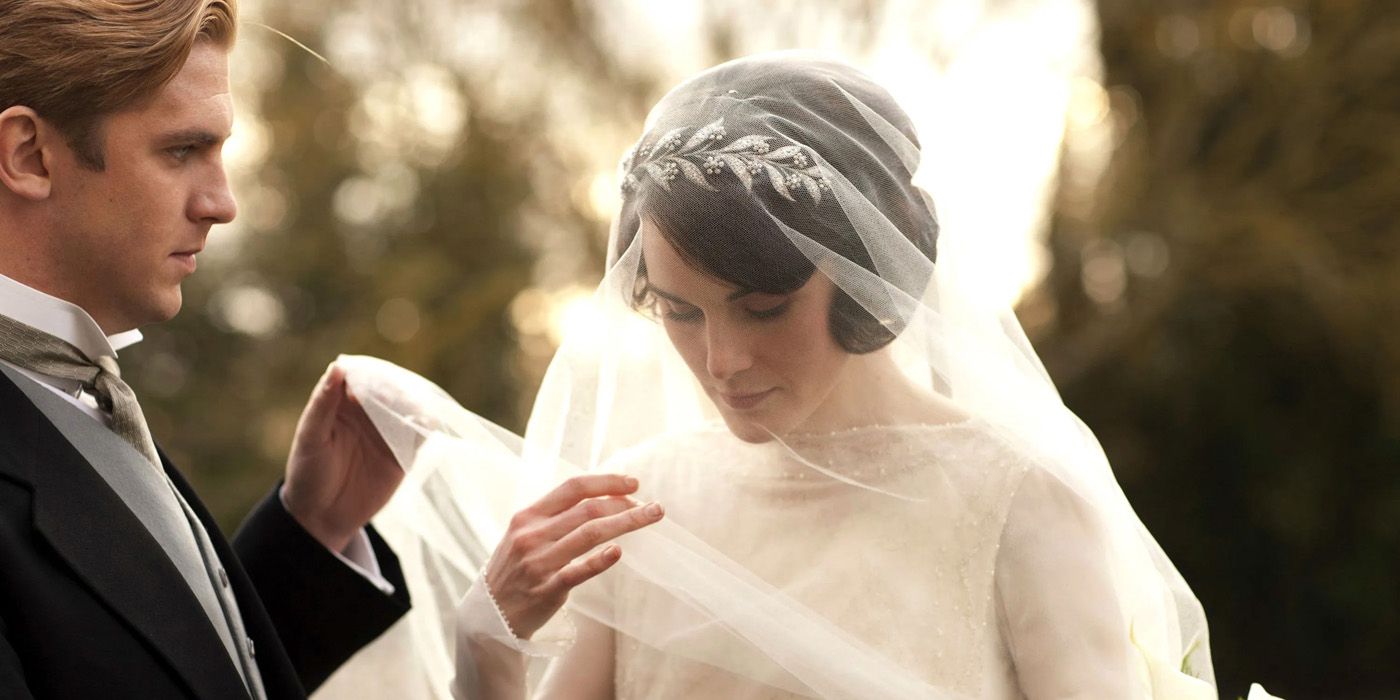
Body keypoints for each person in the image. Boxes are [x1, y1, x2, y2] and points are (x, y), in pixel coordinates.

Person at [336, 52, 1218, 699]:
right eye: (679, 312)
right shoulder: (638, 506)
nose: (722, 361)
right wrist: (484, 648)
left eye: (762, 307)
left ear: (876, 267)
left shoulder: (1017, 502)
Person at [0, 1, 410, 698]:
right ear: (29, 156)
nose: (223, 203)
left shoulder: (87, 383)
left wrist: (312, 528)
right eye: (183, 150)